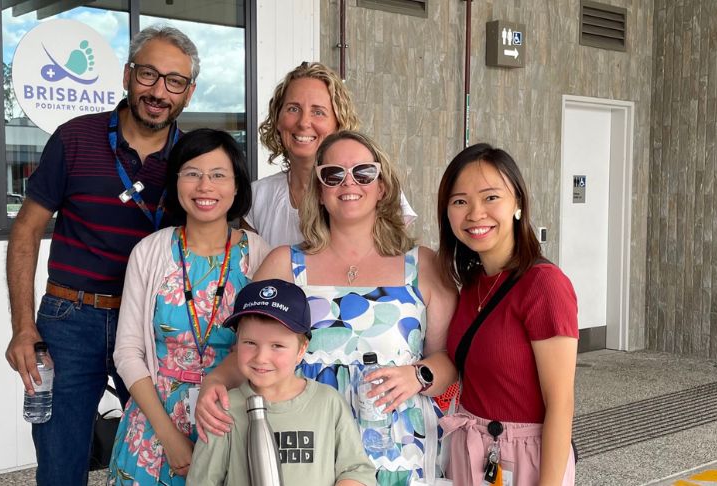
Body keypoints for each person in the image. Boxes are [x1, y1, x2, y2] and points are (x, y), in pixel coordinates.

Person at [197, 131, 457, 485]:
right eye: (333, 175)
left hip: (398, 445)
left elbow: (449, 360)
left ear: (382, 187)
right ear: (319, 191)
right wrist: (214, 380)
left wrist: (417, 375)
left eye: (364, 172)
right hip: (305, 447)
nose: (349, 183)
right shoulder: (284, 264)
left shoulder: (423, 265)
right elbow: (252, 346)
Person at [4, 25, 200, 485]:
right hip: (71, 318)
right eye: (149, 74)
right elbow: (27, 231)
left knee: (160, 456)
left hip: (153, 322)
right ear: (128, 76)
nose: (158, 91)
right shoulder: (76, 138)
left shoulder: (191, 158)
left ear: (188, 93)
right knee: (60, 464)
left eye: (175, 81)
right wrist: (23, 326)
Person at [107, 128, 269, 484]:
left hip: (233, 421)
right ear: (176, 182)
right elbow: (128, 352)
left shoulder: (260, 255)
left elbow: (269, 348)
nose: (204, 186)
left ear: (237, 186)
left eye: (218, 175)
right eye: (192, 173)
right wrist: (169, 436)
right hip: (154, 425)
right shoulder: (149, 252)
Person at [436, 144, 578, 484]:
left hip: (526, 457)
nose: (474, 213)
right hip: (471, 450)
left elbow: (560, 403)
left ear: (517, 203)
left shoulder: (544, 285)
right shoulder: (471, 285)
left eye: (490, 198)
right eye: (459, 201)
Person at [187, 279, 377, 486]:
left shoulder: (328, 402)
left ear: (301, 349)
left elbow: (356, 470)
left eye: (277, 345)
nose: (261, 357)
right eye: (250, 343)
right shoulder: (222, 411)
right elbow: (202, 480)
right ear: (237, 342)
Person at [243, 61, 416, 247]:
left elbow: (396, 261)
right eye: (293, 109)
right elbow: (247, 270)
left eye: (318, 112)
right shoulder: (258, 197)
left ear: (339, 122)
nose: (304, 122)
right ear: (277, 118)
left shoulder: (370, 189)